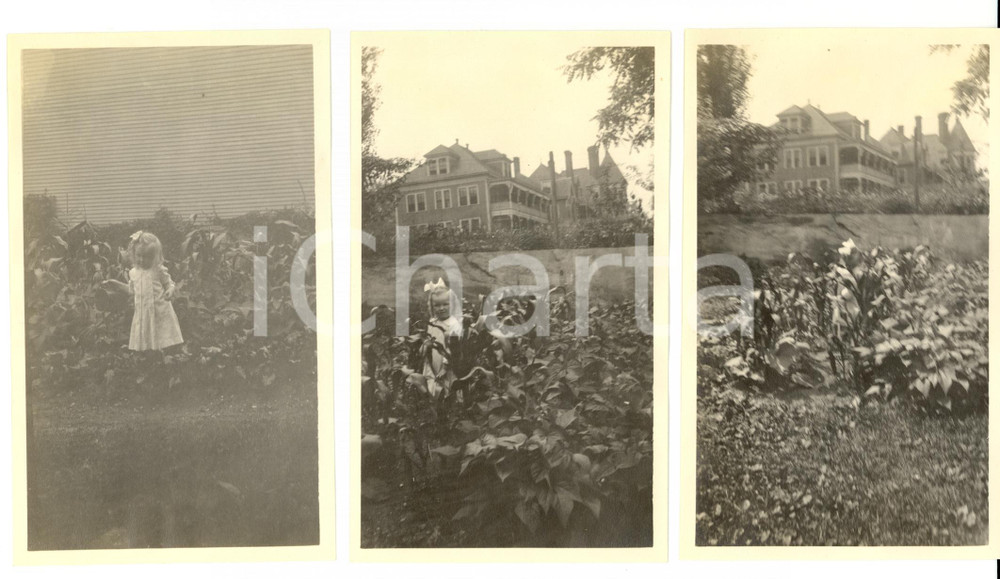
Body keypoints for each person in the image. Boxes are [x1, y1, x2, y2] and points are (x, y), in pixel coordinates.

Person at [103, 230, 184, 351]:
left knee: (162, 338)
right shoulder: (133, 273)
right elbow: (131, 291)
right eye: (139, 256)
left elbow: (169, 283)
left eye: (147, 257)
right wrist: (115, 283)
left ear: (155, 257)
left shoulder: (158, 270)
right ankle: (149, 358)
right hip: (143, 313)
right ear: (133, 254)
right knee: (147, 341)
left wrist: (170, 290)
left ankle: (165, 356)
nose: (142, 260)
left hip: (159, 311)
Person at [422, 278, 461, 398]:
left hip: (447, 362)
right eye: (437, 305)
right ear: (432, 307)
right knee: (433, 382)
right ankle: (434, 404)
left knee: (447, 384)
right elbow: (429, 341)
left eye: (445, 304)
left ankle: (450, 407)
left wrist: (445, 367)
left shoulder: (453, 324)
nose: (441, 308)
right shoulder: (433, 322)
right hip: (434, 358)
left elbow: (453, 348)